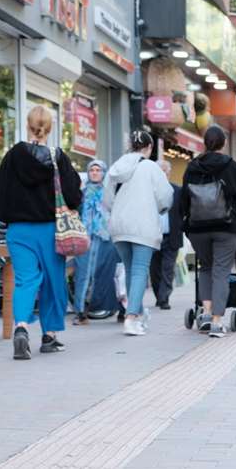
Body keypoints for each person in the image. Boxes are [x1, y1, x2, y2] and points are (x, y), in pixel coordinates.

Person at [0, 105, 82, 359]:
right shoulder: (58, 158)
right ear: (49, 128)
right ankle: (49, 335)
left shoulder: (12, 156)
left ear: (28, 125)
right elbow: (74, 194)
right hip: (50, 230)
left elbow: (0, 193)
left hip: (18, 231)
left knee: (25, 280)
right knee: (53, 282)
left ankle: (21, 327)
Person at [103, 130, 174, 336]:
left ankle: (139, 312)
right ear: (149, 147)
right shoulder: (151, 167)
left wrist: (119, 210)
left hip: (119, 225)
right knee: (140, 270)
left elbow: (106, 200)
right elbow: (165, 196)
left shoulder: (116, 166)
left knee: (129, 268)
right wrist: (160, 209)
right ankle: (131, 317)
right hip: (143, 225)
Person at [181, 125, 236, 338]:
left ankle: (206, 313)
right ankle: (217, 322)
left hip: (198, 228)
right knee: (221, 270)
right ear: (223, 143)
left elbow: (184, 199)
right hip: (226, 227)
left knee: (206, 268)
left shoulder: (192, 167)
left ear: (204, 142)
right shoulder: (231, 166)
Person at [71, 159, 112, 325]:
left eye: (98, 170)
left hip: (105, 238)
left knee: (105, 274)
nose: (95, 173)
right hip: (84, 238)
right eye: (92, 170)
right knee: (82, 274)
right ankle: (79, 311)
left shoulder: (109, 193)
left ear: (104, 173)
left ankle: (110, 308)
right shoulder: (80, 194)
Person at [150, 160, 183, 310]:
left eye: (165, 171)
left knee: (167, 269)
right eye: (160, 171)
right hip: (152, 235)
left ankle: (164, 298)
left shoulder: (177, 191)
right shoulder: (149, 191)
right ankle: (159, 295)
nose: (163, 173)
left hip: (172, 236)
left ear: (169, 173)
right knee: (154, 269)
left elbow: (183, 212)